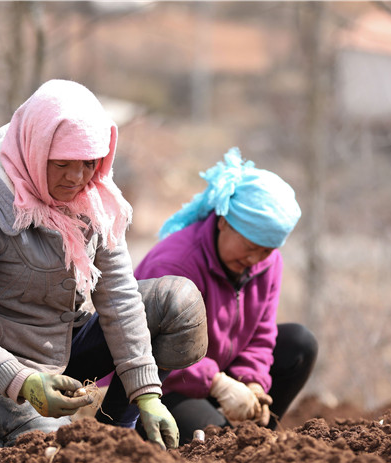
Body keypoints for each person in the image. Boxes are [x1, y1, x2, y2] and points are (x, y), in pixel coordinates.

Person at [0, 80, 208, 452]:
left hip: (57, 349)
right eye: (62, 164)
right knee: (55, 447)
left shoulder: (95, 200)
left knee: (178, 303)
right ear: (35, 150)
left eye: (88, 163)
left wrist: (146, 393)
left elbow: (120, 298)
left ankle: (121, 436)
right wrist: (23, 382)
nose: (77, 178)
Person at [132, 147, 318, 444]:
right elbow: (144, 348)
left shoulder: (267, 263)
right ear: (223, 221)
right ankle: (234, 439)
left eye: (266, 250)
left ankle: (258, 436)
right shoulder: (176, 264)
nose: (255, 259)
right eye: (249, 246)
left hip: (215, 372)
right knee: (217, 443)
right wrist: (216, 383)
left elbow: (260, 334)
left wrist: (253, 383)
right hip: (157, 385)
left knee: (299, 343)